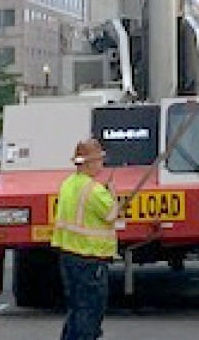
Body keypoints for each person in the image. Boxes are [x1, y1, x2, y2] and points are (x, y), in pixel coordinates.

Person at [52, 138, 119, 340]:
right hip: (90, 259)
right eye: (99, 160)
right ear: (89, 163)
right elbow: (111, 215)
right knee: (90, 312)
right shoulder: (94, 190)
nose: (102, 164)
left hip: (69, 255)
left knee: (76, 310)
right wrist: (113, 194)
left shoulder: (68, 184)